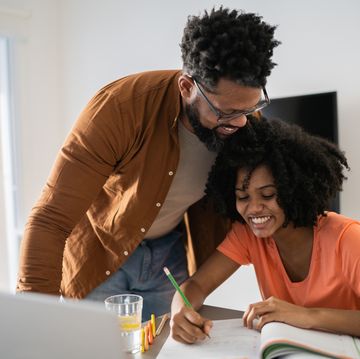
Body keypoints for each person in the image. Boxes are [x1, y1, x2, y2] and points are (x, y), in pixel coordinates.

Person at [16, 7, 279, 320]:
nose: (237, 123)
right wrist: (33, 322)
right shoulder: (120, 109)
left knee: (162, 350)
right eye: (224, 112)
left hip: (169, 255)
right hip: (101, 253)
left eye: (248, 109)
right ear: (187, 87)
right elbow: (50, 218)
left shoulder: (243, 122)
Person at [170, 116, 360, 341]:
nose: (254, 208)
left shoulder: (347, 238)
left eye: (268, 195)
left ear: (294, 190)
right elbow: (197, 284)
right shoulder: (247, 235)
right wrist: (180, 312)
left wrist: (307, 316)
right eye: (243, 196)